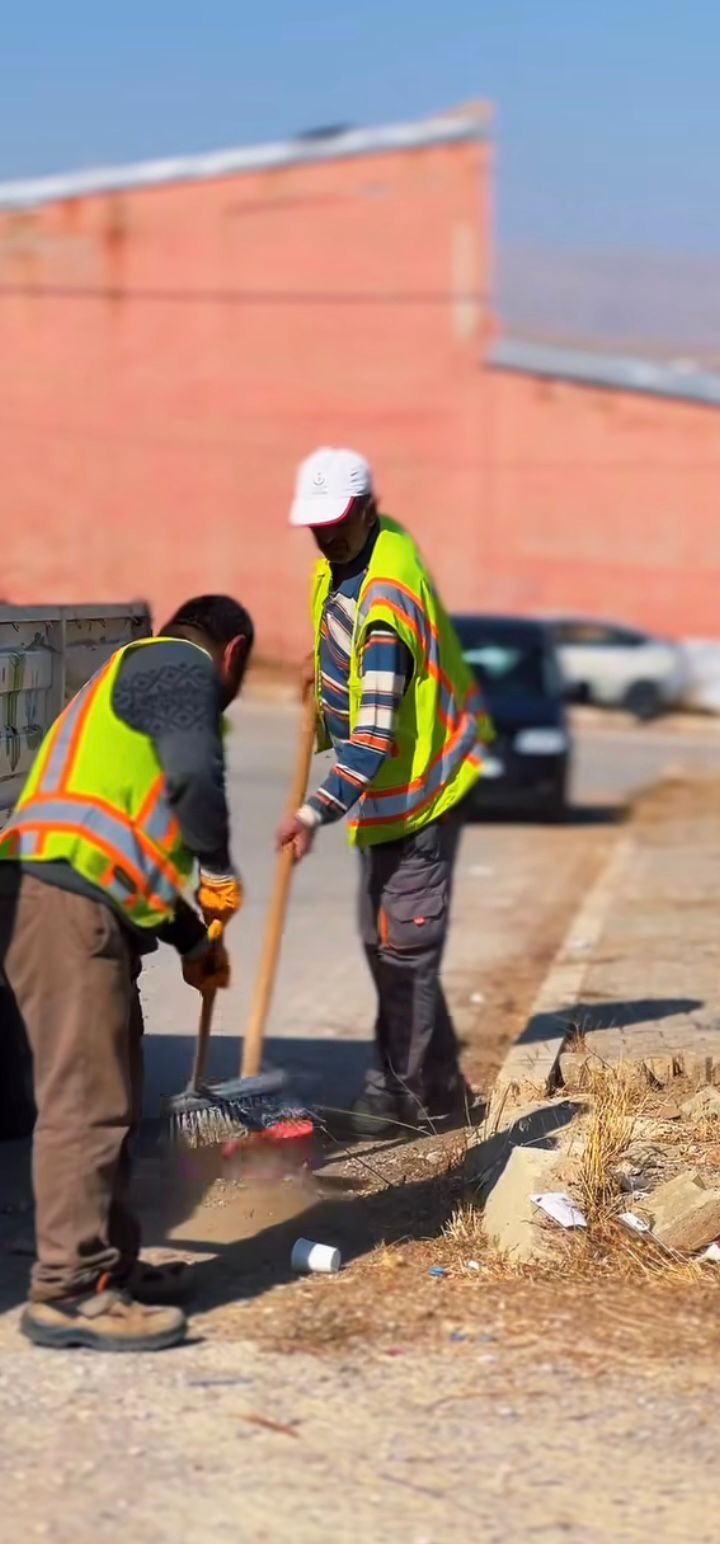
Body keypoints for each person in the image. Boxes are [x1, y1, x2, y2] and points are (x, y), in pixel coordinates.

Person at [0, 595, 253, 1352]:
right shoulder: (179, 664)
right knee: (85, 1102)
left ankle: (110, 1270)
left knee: (108, 1090)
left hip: (67, 893)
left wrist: (188, 938)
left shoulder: (132, 675)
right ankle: (68, 1292)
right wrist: (216, 867)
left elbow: (126, 850)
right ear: (232, 653)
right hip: (62, 901)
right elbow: (193, 776)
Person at [279, 447, 492, 1137]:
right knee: (391, 943)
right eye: (315, 523)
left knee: (403, 947)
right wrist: (323, 672)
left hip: (420, 785)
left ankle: (408, 1102)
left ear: (368, 508)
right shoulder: (343, 562)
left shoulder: (386, 598)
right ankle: (437, 1087)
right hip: (390, 790)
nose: (325, 534)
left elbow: (372, 741)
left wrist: (312, 810)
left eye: (337, 521)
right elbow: (341, 650)